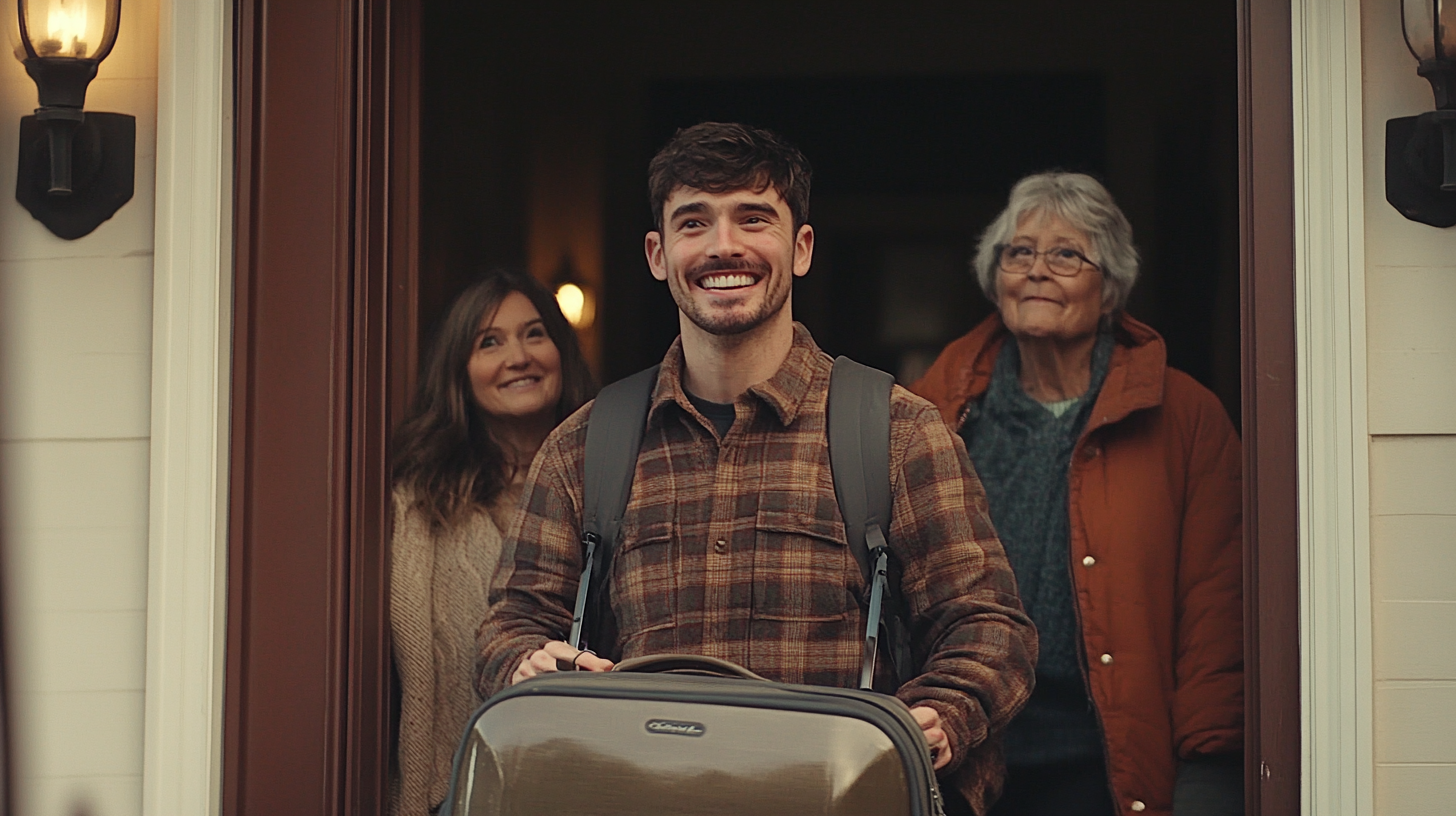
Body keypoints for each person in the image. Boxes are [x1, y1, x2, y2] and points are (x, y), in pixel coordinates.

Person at [475, 122, 1038, 814]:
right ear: (658, 254)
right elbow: (513, 622)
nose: (723, 246)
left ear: (801, 248)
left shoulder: (897, 433)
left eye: (753, 218)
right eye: (693, 222)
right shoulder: (584, 445)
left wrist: (937, 719)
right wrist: (524, 661)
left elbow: (989, 627)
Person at [910, 172, 1244, 816]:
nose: (1037, 270)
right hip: (961, 754)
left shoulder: (1185, 415)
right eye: (1019, 252)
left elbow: (1216, 604)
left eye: (1066, 254)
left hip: (1099, 763)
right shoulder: (934, 410)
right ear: (995, 274)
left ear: (1110, 286)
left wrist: (1211, 766)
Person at [388, 268, 596, 816]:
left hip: (598, 774)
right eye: (489, 342)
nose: (518, 357)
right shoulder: (424, 504)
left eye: (534, 334)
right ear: (459, 370)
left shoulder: (613, 479)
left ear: (561, 349)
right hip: (467, 787)